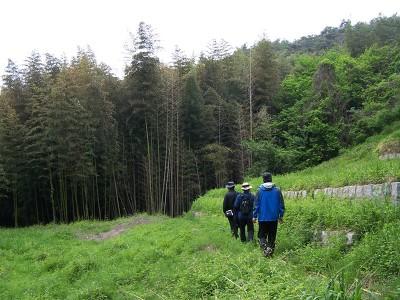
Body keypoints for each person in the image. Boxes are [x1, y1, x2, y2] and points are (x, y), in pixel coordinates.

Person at [253, 172, 285, 257]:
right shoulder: (277, 190)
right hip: (274, 218)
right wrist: (281, 216)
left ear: (263, 180)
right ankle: (269, 252)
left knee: (261, 236)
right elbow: (281, 204)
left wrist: (254, 216)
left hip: (262, 218)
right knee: (272, 236)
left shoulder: (259, 191)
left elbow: (256, 205)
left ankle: (265, 248)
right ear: (271, 179)